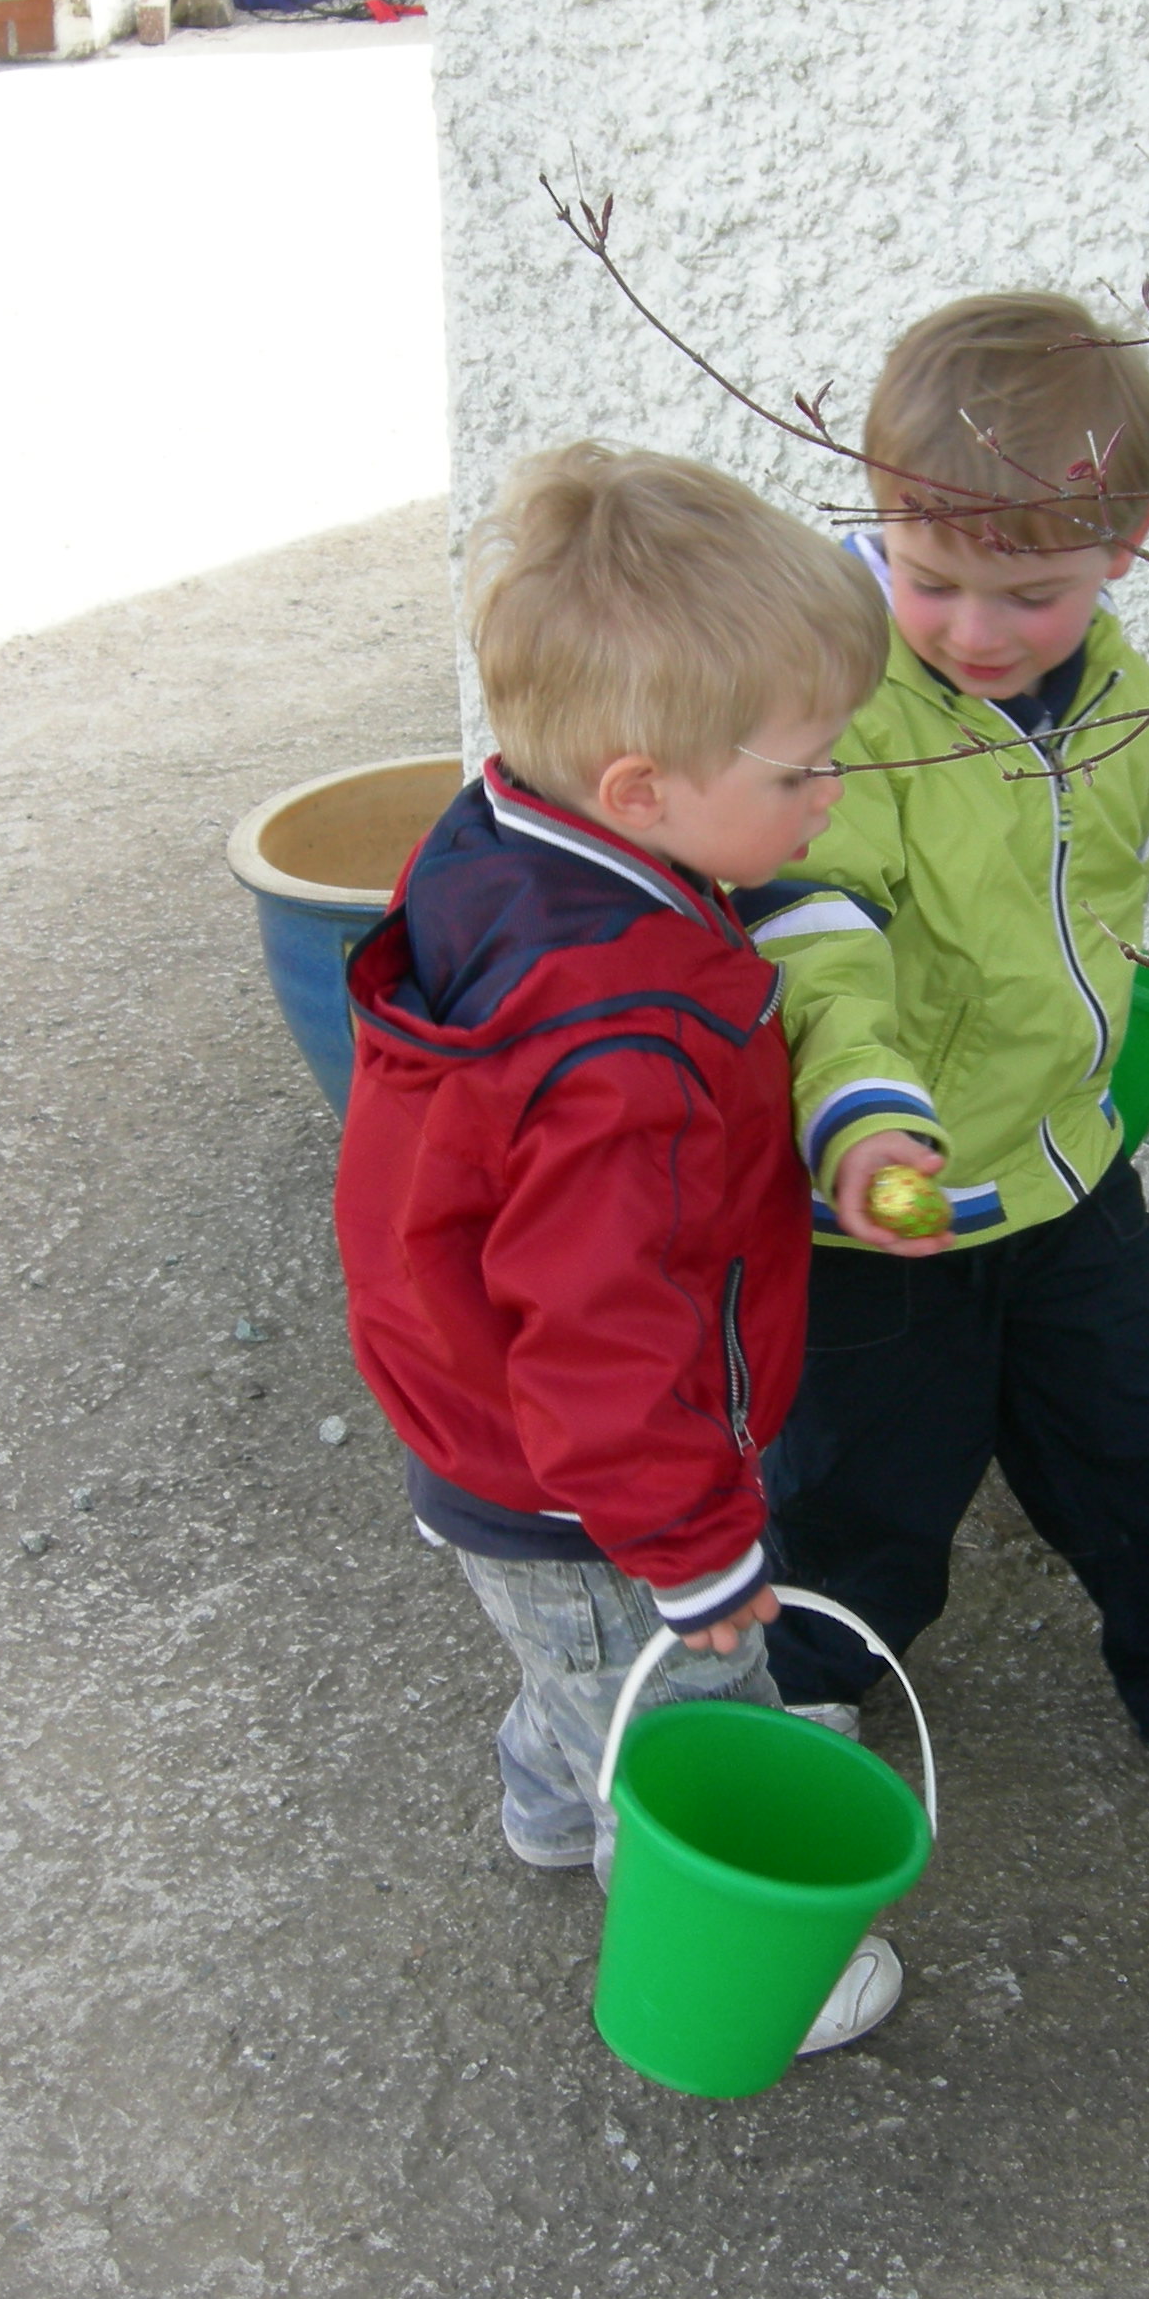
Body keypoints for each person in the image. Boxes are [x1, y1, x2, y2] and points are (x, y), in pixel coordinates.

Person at [740, 293, 1149, 1808]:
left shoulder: (1119, 689)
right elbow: (817, 932)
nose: (975, 632)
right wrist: (862, 1119)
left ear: (1123, 548)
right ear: (881, 519)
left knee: (1133, 1445)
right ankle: (808, 1674)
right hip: (887, 1192)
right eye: (933, 581)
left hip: (1068, 1159)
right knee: (866, 1482)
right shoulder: (841, 704)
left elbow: (1082, 897)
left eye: (1032, 596)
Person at [335, 442, 904, 2049]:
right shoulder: (617, 1053)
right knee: (666, 1698)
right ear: (643, 790)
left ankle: (543, 1791)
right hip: (584, 1483)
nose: (830, 797)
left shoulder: (512, 829)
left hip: (487, 1416)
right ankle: (703, 1939)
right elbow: (601, 1338)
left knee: (573, 1664)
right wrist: (700, 1551)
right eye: (801, 775)